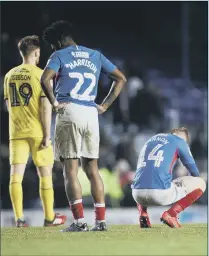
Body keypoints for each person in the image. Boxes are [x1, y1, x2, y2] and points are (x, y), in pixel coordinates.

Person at [41, 20, 126, 232]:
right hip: (91, 113)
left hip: (69, 110)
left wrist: (54, 103)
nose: (53, 48)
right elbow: (120, 78)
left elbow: (45, 79)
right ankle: (101, 221)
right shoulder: (95, 55)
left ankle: (79, 222)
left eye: (54, 44)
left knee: (70, 171)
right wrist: (105, 105)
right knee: (92, 170)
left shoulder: (59, 55)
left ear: (60, 40)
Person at [4, 35, 66, 227]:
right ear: (37, 53)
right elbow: (46, 107)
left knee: (16, 175)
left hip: (16, 132)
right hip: (38, 131)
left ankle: (19, 219)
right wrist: (47, 135)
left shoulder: (9, 75)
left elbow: (8, 104)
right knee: (45, 174)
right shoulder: (41, 75)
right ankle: (49, 217)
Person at [132, 127, 206, 228]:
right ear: (185, 140)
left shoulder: (151, 139)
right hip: (159, 194)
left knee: (145, 176)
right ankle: (171, 214)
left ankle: (142, 214)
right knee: (201, 183)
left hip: (137, 195)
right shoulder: (180, 142)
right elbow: (194, 173)